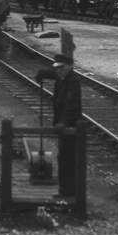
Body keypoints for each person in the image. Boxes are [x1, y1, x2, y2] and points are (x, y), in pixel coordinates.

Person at [35, 53, 82, 196]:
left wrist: (63, 123)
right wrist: (41, 74)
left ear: (70, 66)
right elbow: (53, 74)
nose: (58, 70)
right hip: (64, 126)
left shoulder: (73, 81)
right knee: (63, 158)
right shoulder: (62, 77)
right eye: (56, 68)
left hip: (70, 126)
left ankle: (68, 192)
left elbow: (71, 105)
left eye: (61, 67)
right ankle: (64, 190)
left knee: (68, 159)